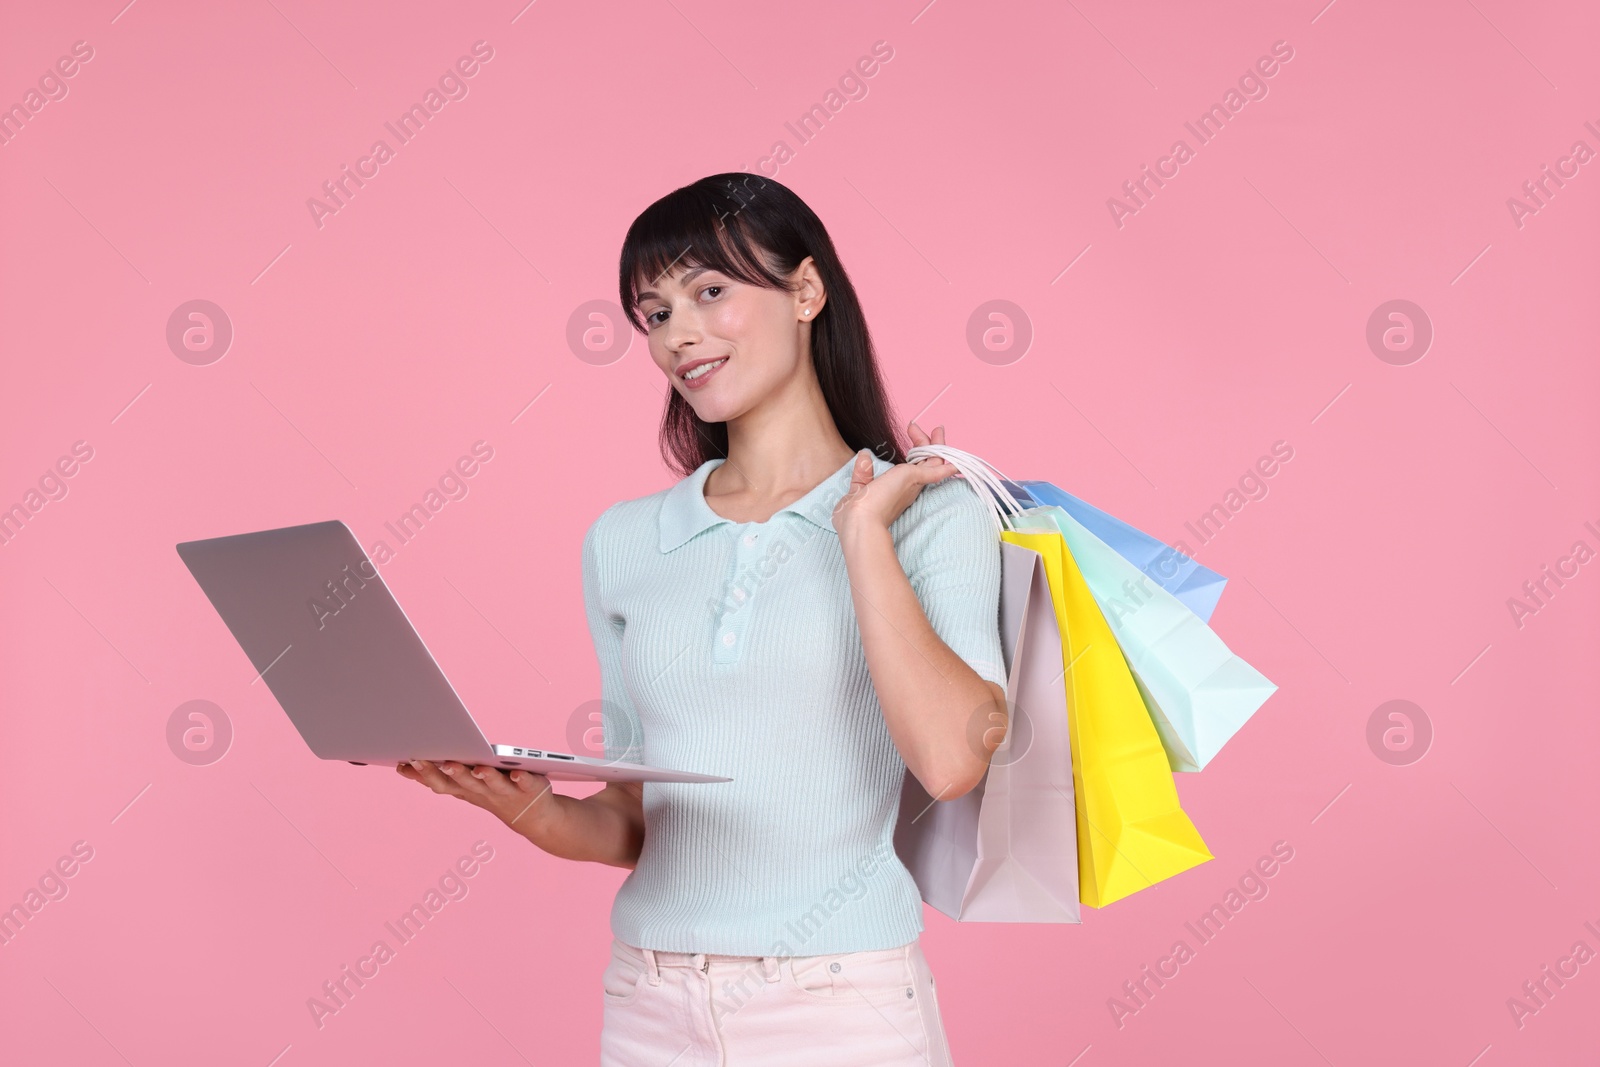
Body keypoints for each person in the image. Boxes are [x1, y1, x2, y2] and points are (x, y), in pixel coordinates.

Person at [397, 173, 1007, 1065]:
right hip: (651, 1001)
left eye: (709, 292)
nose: (678, 335)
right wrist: (524, 806)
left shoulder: (929, 515)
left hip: (838, 1004)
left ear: (806, 290)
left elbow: (953, 760)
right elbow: (632, 820)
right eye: (653, 313)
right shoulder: (627, 541)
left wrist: (862, 530)